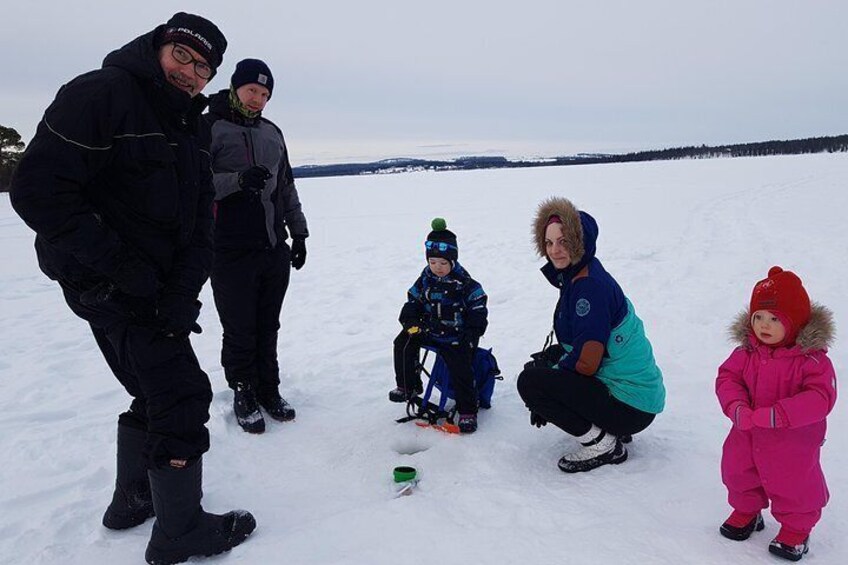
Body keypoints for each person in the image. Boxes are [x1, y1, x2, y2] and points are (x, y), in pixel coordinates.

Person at [10, 13, 256, 563]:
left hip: (155, 286)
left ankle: (133, 498)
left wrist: (181, 289)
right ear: (157, 47)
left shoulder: (189, 122)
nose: (191, 73)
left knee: (155, 390)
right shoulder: (99, 94)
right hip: (106, 283)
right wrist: (125, 271)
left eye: (204, 67)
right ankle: (179, 532)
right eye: (183, 57)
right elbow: (38, 193)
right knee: (183, 397)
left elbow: (200, 220)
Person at [516, 197, 665, 472]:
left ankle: (603, 444)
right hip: (637, 399)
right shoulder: (580, 275)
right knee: (547, 364)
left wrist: (550, 382)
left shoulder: (588, 288)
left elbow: (587, 362)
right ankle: (610, 425)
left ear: (580, 242)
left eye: (563, 241)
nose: (555, 250)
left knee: (530, 382)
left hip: (630, 405)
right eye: (548, 243)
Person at [204, 58, 309, 434]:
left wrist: (298, 233)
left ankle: (269, 388)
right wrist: (236, 181)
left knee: (268, 324)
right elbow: (193, 183)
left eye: (265, 94)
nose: (258, 99)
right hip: (228, 249)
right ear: (235, 87)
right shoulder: (210, 127)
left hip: (271, 245)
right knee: (239, 327)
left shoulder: (271, 132)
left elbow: (286, 186)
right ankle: (243, 390)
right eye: (252, 90)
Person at [716, 267, 836, 562]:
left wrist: (780, 414)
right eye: (758, 317)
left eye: (774, 319)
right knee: (738, 470)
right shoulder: (747, 352)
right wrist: (736, 407)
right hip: (747, 432)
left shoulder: (812, 361)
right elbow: (727, 379)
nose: (764, 325)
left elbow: (821, 397)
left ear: (794, 322)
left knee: (793, 482)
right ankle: (747, 510)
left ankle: (796, 528)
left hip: (792, 442)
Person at [389, 218, 488, 434]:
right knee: (403, 341)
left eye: (443, 263)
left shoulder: (464, 283)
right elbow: (412, 301)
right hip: (429, 330)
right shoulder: (425, 279)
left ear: (453, 261)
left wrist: (471, 334)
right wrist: (411, 322)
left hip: (455, 336)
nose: (438, 268)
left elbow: (479, 309)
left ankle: (468, 410)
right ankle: (408, 386)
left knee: (461, 369)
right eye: (433, 262)